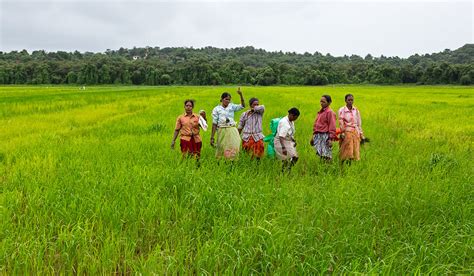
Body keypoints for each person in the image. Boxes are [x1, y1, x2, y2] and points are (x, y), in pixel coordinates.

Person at [210, 87, 245, 160]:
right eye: (226, 99)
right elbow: (214, 123)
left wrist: (240, 95)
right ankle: (222, 162)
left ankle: (232, 161)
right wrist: (212, 137)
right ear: (222, 99)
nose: (227, 101)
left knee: (234, 145)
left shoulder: (231, 106)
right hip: (222, 130)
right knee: (222, 146)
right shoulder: (217, 109)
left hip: (231, 129)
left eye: (229, 99)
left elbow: (242, 106)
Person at [338, 94, 365, 163]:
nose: (350, 101)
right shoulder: (342, 110)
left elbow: (359, 123)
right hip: (347, 132)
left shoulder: (356, 110)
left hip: (355, 132)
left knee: (355, 150)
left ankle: (352, 165)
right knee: (347, 150)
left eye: (352, 100)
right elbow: (341, 122)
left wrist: (361, 134)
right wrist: (342, 132)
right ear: (345, 101)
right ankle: (344, 164)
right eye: (349, 100)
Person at [310, 95, 337, 161]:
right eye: (321, 101)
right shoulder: (320, 112)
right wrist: (313, 136)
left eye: (323, 102)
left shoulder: (330, 112)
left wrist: (330, 139)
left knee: (327, 155)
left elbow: (332, 126)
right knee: (321, 155)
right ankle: (323, 168)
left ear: (329, 102)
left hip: (325, 136)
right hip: (318, 136)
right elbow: (316, 125)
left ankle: (328, 169)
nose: (321, 103)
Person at [274, 107, 300, 172]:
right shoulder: (284, 123)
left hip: (287, 140)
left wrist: (293, 140)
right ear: (291, 115)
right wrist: (283, 148)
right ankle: (284, 172)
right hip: (280, 141)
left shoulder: (291, 121)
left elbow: (289, 133)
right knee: (285, 159)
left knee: (295, 157)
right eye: (295, 117)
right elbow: (281, 137)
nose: (295, 119)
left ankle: (288, 169)